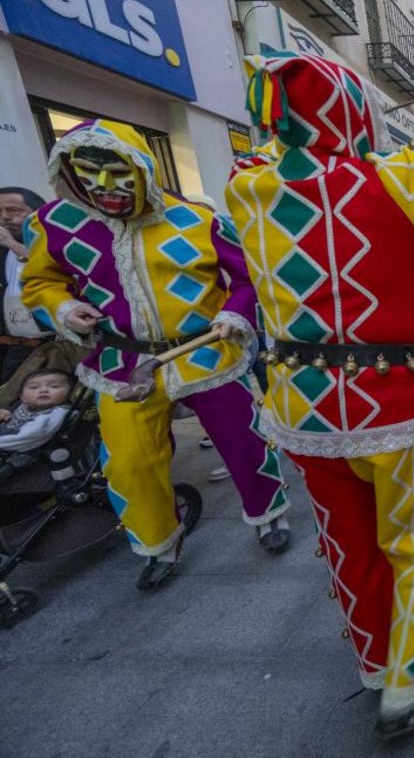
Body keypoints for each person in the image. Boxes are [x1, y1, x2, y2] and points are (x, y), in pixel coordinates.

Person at [225, 51, 414, 741]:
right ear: (353, 112)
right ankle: (406, 690)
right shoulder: (400, 180)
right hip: (390, 403)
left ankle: (374, 663)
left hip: (301, 406)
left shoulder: (248, 188)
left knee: (348, 542)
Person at [22, 119, 291, 592]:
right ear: (69, 169)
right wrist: (63, 307)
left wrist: (234, 313)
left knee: (244, 444)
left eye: (117, 172)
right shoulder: (53, 225)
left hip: (205, 355)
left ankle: (268, 515)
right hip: (121, 365)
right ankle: (158, 544)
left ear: (142, 166)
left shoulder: (197, 220)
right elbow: (40, 283)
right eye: (88, 173)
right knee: (127, 462)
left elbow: (248, 277)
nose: (104, 187)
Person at [0, 187, 57, 382]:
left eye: (13, 210)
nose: (5, 218)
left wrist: (13, 245)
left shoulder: (55, 242)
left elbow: (58, 268)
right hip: (12, 346)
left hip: (53, 347)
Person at [0, 368, 73, 453]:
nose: (43, 390)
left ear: (70, 393)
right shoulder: (22, 404)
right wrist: (5, 412)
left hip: (12, 448)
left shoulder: (58, 413)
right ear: (22, 397)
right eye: (33, 387)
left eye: (54, 386)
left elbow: (31, 435)